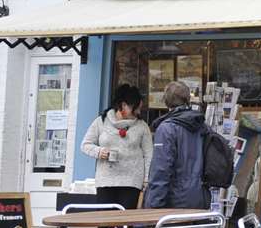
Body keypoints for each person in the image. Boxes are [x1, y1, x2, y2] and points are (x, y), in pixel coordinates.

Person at [80, 85, 152, 209]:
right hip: (106, 181)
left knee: (125, 223)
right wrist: (99, 152)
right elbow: (85, 145)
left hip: (132, 182)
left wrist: (146, 180)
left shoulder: (142, 126)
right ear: (123, 105)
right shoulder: (101, 122)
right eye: (136, 108)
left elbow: (149, 154)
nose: (139, 112)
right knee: (105, 222)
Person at [144, 80, 210, 211]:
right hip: (200, 197)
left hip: (174, 201)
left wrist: (153, 206)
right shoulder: (202, 126)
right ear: (187, 99)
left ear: (166, 101)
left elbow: (161, 169)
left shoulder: (167, 128)